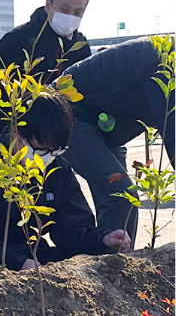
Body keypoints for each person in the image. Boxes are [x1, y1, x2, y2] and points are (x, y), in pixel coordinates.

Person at [0, 93, 131, 271]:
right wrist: (16, 263)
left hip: (32, 257)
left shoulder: (55, 168)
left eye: (56, 151)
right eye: (41, 150)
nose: (47, 158)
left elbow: (71, 227)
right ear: (16, 132)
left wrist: (102, 239)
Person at [62, 37, 174, 250]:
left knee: (122, 200)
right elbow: (173, 133)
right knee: (122, 195)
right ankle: (110, 268)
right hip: (69, 116)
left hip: (105, 125)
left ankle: (119, 267)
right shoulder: (164, 65)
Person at [0, 0, 92, 149]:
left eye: (77, 12)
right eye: (64, 9)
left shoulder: (80, 47)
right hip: (22, 138)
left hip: (65, 140)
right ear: (48, 5)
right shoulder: (18, 40)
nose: (70, 16)